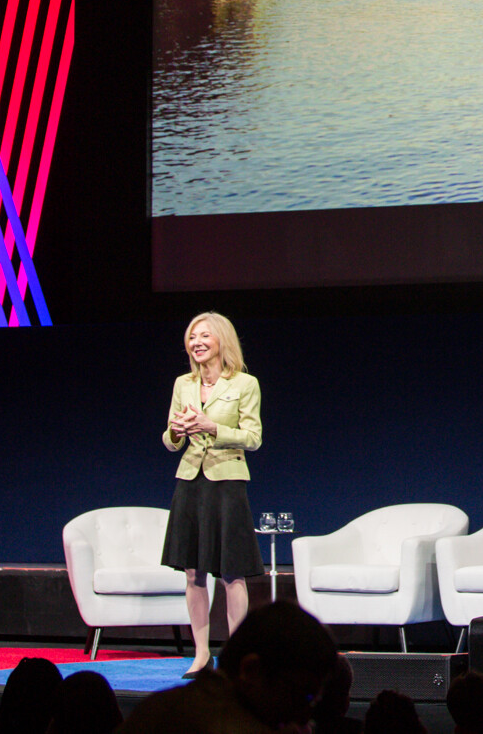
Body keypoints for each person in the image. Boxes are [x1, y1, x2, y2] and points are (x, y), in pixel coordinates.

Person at [162, 312, 267, 674]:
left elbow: (253, 438)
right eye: (192, 337)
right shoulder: (183, 384)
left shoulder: (244, 384)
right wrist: (176, 431)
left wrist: (212, 426)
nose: (197, 342)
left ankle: (237, 657)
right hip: (191, 480)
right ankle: (201, 653)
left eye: (204, 335)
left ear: (221, 340)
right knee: (193, 572)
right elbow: (169, 440)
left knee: (231, 573)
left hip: (227, 482)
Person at [118, 600, 338, 734]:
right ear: (250, 670)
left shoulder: (160, 705)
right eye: (302, 697)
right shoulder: (221, 726)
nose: (304, 716)